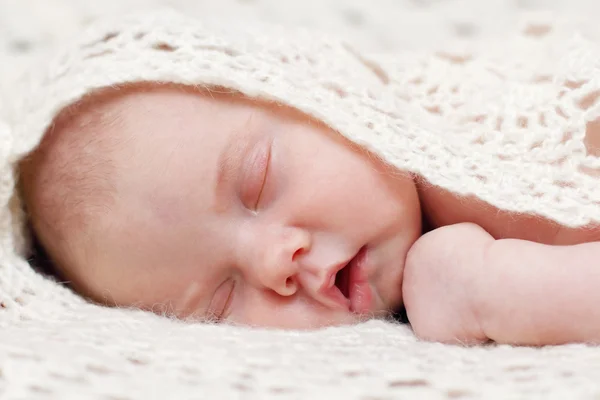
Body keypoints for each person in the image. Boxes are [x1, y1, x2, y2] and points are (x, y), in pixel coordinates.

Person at [14, 10, 600, 346]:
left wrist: (484, 288)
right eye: (222, 301)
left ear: (316, 94)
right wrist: (492, 289)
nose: (275, 263)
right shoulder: (446, 261)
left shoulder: (489, 114)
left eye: (257, 183)